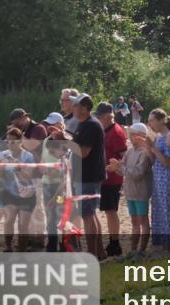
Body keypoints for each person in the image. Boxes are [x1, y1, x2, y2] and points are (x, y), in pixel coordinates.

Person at [66, 94, 106, 257]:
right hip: (85, 175)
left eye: (75, 105)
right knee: (90, 214)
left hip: (88, 176)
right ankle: (99, 252)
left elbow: (83, 152)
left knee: (87, 216)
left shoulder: (91, 125)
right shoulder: (84, 124)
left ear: (84, 108)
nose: (73, 107)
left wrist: (64, 140)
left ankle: (92, 254)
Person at [110, 123, 153, 255]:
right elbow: (123, 170)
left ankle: (142, 250)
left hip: (141, 193)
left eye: (132, 135)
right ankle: (133, 250)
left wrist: (120, 167)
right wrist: (115, 167)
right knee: (134, 222)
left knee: (143, 221)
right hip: (130, 192)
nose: (130, 137)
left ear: (141, 136)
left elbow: (137, 173)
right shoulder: (129, 151)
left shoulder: (145, 153)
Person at [0, 127, 37, 252]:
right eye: (7, 141)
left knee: (23, 225)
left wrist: (17, 168)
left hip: (26, 194)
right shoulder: (3, 155)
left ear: (20, 141)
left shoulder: (28, 156)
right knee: (8, 221)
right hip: (9, 193)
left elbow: (29, 177)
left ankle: (22, 250)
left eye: (13, 141)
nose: (9, 144)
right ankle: (8, 247)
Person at [94, 102, 128, 257]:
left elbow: (124, 157)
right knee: (108, 211)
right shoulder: (105, 130)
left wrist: (118, 168)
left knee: (111, 211)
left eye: (99, 117)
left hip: (112, 179)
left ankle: (115, 243)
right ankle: (113, 242)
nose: (97, 119)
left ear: (107, 117)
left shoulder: (116, 132)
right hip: (104, 178)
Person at [147, 108, 170, 250]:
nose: (150, 124)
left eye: (152, 120)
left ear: (162, 120)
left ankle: (169, 244)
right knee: (158, 209)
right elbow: (154, 160)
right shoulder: (158, 137)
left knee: (167, 210)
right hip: (158, 177)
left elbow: (167, 162)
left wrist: (153, 147)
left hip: (166, 178)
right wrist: (148, 147)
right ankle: (160, 243)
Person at [38, 112, 70, 251]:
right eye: (48, 125)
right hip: (47, 183)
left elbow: (67, 169)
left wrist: (54, 171)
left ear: (61, 125)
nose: (50, 128)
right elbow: (42, 160)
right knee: (50, 215)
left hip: (60, 185)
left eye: (53, 125)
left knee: (60, 215)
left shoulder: (65, 142)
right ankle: (52, 244)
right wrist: (43, 169)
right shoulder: (46, 141)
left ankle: (64, 245)